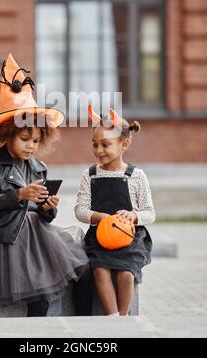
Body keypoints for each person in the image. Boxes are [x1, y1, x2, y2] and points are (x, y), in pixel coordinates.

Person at [0, 53, 92, 317]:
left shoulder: (39, 167)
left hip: (39, 233)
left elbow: (45, 217)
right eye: (25, 138)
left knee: (84, 269)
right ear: (7, 134)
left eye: (36, 141)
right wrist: (19, 195)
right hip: (8, 236)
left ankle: (88, 328)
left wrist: (48, 208)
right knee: (39, 300)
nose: (31, 146)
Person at [75, 105, 156, 316]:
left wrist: (134, 216)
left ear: (124, 144)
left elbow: (150, 213)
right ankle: (112, 319)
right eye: (94, 144)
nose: (98, 150)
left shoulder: (136, 175)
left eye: (105, 145)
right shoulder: (90, 175)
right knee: (100, 271)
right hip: (100, 238)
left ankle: (124, 316)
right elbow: (80, 210)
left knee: (126, 274)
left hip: (130, 238)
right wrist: (98, 217)